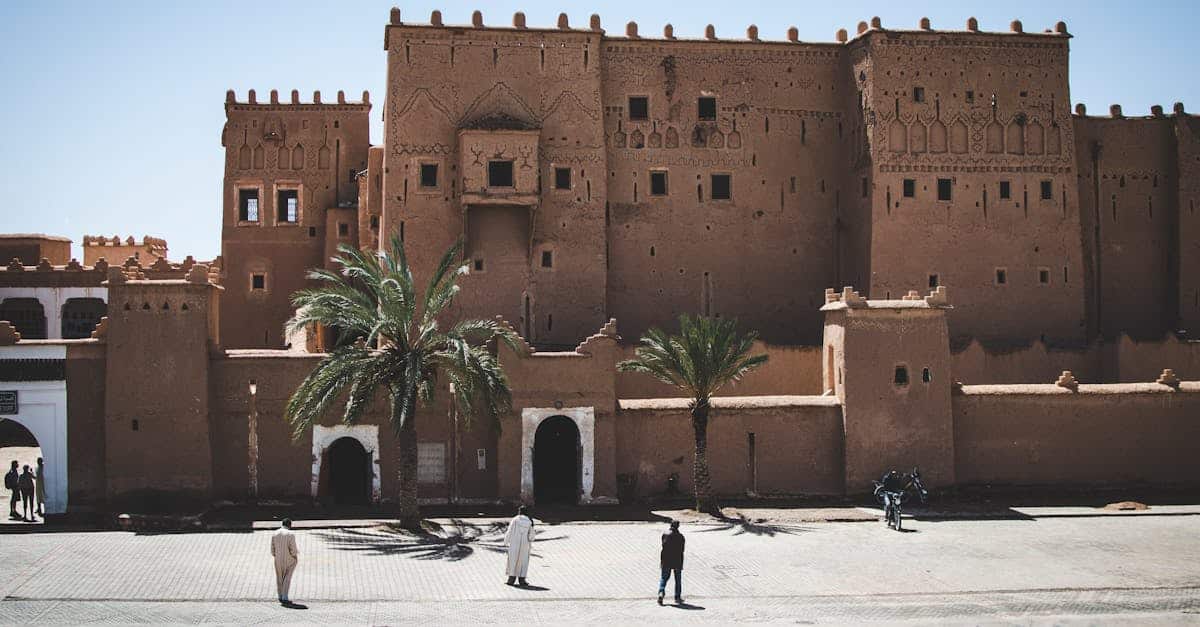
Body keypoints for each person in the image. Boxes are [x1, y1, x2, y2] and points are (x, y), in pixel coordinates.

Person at [504, 505, 535, 586]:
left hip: (514, 543)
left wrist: (506, 541)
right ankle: (522, 580)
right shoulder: (529, 521)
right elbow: (531, 536)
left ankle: (511, 579)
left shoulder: (515, 520)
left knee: (512, 560)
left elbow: (509, 531)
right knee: (523, 561)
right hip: (525, 544)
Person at [270, 518, 299, 605]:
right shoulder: (291, 534)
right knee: (287, 577)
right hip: (289, 558)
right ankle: (285, 596)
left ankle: (280, 595)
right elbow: (293, 548)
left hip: (278, 558)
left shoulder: (275, 533)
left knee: (279, 577)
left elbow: (272, 548)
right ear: (289, 525)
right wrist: (294, 556)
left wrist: (275, 555)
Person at [658, 519, 685, 605]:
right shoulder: (681, 537)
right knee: (678, 579)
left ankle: (661, 592)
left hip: (666, 559)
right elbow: (682, 549)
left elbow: (663, 545)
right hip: (677, 559)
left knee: (664, 578)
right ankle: (677, 596)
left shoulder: (665, 534)